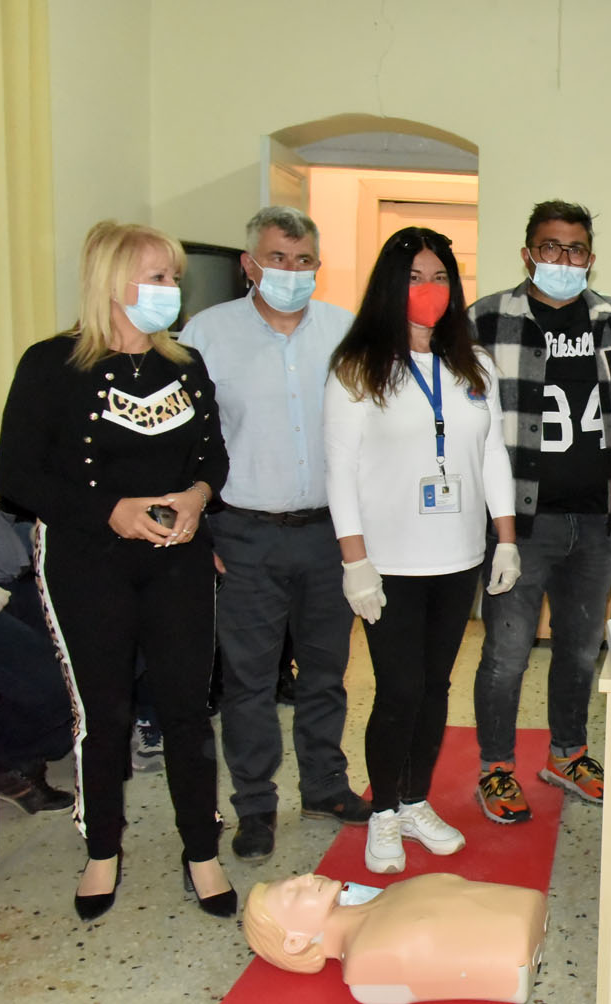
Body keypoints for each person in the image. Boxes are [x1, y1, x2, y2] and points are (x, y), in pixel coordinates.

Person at [0, 220, 236, 919]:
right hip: (87, 562)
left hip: (178, 561)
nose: (171, 289)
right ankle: (102, 850)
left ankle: (202, 851)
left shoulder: (185, 366)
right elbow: (17, 474)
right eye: (157, 276)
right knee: (103, 715)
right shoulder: (51, 364)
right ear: (110, 280)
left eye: (173, 277)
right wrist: (110, 511)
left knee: (188, 711)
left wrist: (197, 496)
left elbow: (212, 456)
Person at [325, 227, 517, 874]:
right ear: (390, 284)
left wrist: (506, 539)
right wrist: (355, 560)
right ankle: (382, 810)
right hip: (389, 561)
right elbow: (339, 470)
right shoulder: (358, 366)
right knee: (398, 689)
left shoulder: (474, 364)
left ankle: (413, 801)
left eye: (439, 278)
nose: (429, 290)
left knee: (436, 687)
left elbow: (491, 453)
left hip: (457, 556)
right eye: (414, 278)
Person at [181, 206, 369, 863]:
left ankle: (325, 786)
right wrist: (200, 532)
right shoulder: (207, 335)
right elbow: (186, 440)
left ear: (318, 265)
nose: (291, 271)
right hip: (243, 535)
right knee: (249, 681)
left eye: (303, 260)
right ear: (249, 264)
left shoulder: (345, 332)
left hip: (327, 533)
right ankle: (255, 806)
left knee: (326, 673)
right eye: (277, 259)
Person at [467, 200, 611, 826]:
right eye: (550, 247)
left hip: (594, 521)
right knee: (506, 654)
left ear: (591, 257)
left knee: (580, 650)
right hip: (520, 524)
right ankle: (496, 767)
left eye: (575, 249)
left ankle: (568, 755)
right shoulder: (486, 319)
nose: (564, 258)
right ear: (527, 253)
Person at [243, 872, 546, 1003]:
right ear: (296, 941)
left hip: (523, 919)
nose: (306, 878)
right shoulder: (366, 959)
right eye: (293, 892)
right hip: (516, 950)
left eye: (294, 878)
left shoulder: (390, 895)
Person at [0, 508, 74, 815]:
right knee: (56, 685)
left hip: (15, 572)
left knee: (81, 667)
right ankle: (9, 764)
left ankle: (23, 764)